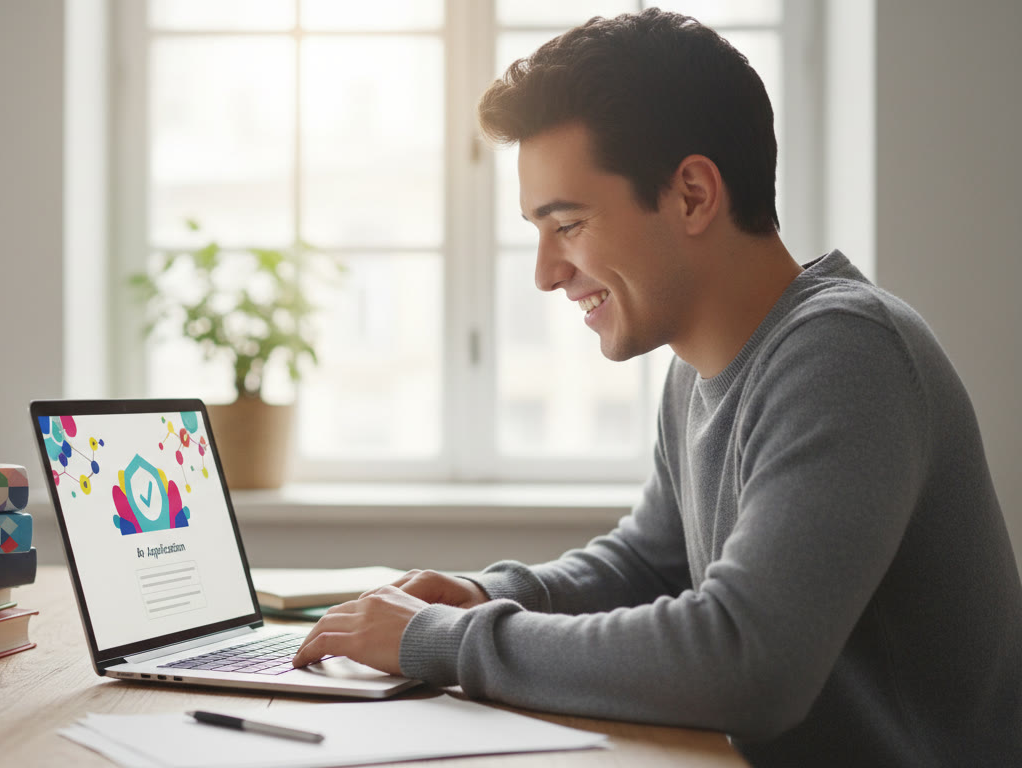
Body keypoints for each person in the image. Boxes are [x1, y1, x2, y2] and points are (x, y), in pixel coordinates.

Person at [290, 9, 1022, 766]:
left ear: (694, 195)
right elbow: (646, 565)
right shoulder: (700, 370)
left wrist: (439, 641)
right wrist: (483, 594)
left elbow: (746, 662)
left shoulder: (846, 353)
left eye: (567, 224)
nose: (545, 274)